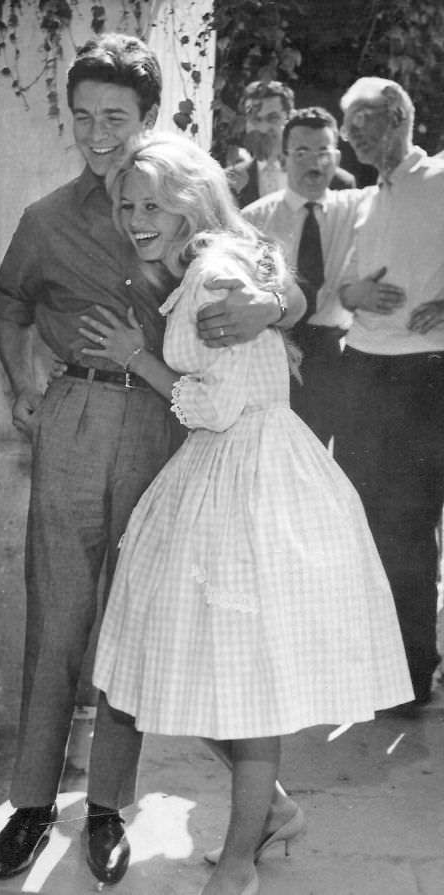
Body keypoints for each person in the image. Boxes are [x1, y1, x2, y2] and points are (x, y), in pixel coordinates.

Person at [0, 33, 306, 884]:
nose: (97, 133)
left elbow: (269, 264)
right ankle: (27, 803)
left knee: (133, 626)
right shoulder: (45, 218)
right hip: (76, 416)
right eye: (82, 115)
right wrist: (23, 378)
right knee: (56, 614)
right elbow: (9, 303)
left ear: (150, 118)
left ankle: (106, 809)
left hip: (172, 425)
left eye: (115, 118)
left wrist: (274, 303)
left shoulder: (180, 194)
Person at [80, 131, 413, 895]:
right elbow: (281, 306)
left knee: (237, 679)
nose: (136, 217)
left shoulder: (211, 274)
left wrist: (138, 357)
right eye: (127, 204)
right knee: (190, 663)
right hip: (245, 467)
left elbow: (216, 403)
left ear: (192, 201)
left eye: (153, 204)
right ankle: (272, 811)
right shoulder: (226, 257)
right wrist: (276, 302)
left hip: (243, 476)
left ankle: (238, 859)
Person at [334, 77, 444, 708]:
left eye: (364, 122)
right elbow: (345, 289)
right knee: (362, 523)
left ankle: (409, 672)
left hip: (421, 375)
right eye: (348, 127)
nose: (352, 137)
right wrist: (357, 296)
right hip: (364, 369)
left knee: (407, 523)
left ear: (400, 115)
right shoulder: (368, 198)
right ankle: (375, 666)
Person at [243, 107, 369, 445]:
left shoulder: (357, 209)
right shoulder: (254, 219)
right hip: (277, 351)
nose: (314, 162)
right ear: (284, 158)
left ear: (337, 157)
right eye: (301, 152)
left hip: (334, 355)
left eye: (323, 152)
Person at [227, 81, 355, 208]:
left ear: (290, 118)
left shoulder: (338, 182)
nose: (263, 128)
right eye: (256, 119)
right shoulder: (229, 182)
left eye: (272, 118)